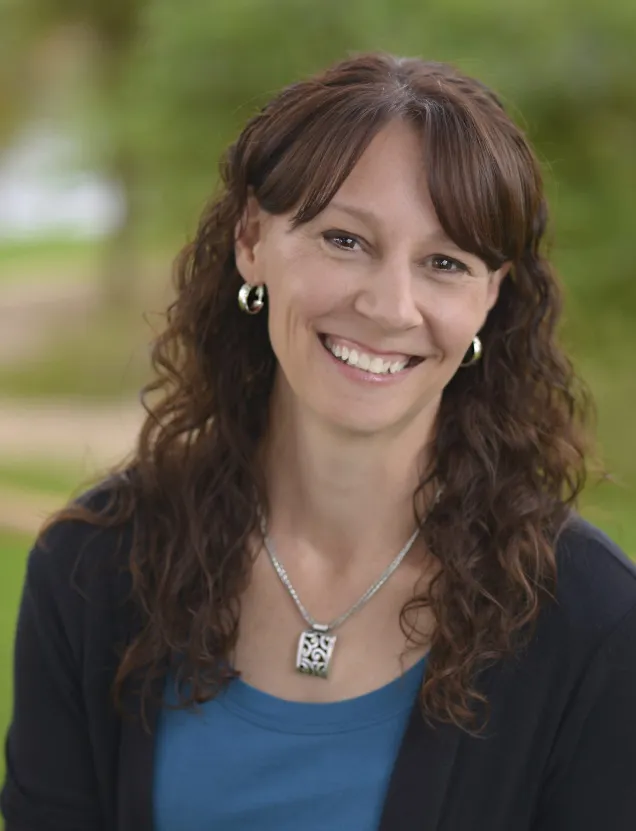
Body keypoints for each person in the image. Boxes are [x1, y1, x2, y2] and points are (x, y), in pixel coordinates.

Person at [2, 52, 635, 831]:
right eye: (345, 240)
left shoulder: (593, 619)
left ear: (490, 298)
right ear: (251, 239)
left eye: (445, 263)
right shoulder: (91, 572)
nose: (390, 305)